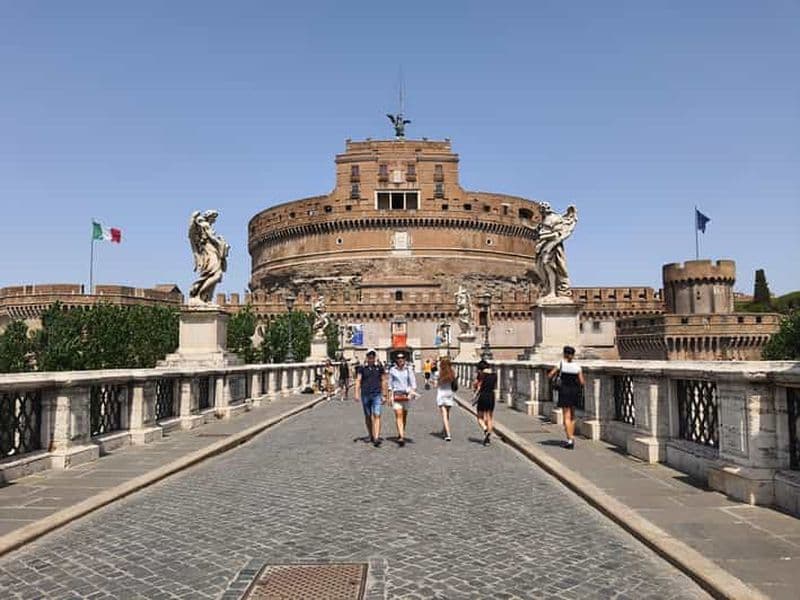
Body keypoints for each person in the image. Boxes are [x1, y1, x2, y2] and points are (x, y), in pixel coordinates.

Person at [548, 345, 585, 449]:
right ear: (573, 355)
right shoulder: (577, 366)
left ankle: (570, 440)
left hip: (564, 391)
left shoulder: (560, 364)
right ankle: (571, 437)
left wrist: (556, 379)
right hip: (574, 392)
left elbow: (550, 375)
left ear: (564, 354)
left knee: (566, 416)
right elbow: (582, 382)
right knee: (572, 416)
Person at [354, 349, 386, 447]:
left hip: (377, 394)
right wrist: (356, 393)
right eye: (369, 357)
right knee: (368, 416)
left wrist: (384, 395)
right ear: (367, 357)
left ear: (374, 357)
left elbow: (383, 380)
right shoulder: (362, 368)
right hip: (365, 394)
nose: (371, 359)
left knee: (377, 415)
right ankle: (370, 434)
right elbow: (358, 380)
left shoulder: (379, 367)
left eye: (372, 357)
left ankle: (376, 437)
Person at [388, 352, 417, 447]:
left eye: (402, 358)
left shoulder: (409, 369)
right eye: (399, 358)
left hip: (406, 395)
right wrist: (389, 396)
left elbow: (413, 383)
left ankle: (401, 432)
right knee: (399, 415)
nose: (401, 359)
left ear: (405, 359)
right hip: (396, 395)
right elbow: (390, 384)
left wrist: (412, 392)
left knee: (404, 416)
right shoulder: (392, 370)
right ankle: (401, 437)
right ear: (396, 359)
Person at [474, 360, 497, 446]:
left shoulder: (481, 375)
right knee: (489, 417)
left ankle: (485, 429)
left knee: (480, 417)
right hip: (491, 396)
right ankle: (488, 439)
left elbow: (476, 385)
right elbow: (494, 386)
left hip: (483, 396)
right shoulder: (494, 375)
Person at [436, 357, 458, 441]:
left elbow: (436, 384)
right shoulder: (452, 373)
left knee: (444, 415)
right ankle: (444, 430)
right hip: (449, 394)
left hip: (441, 394)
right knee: (447, 414)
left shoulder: (439, 373)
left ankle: (448, 434)